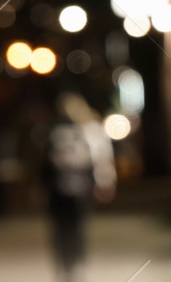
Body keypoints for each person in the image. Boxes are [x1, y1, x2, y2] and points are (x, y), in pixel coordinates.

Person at [40, 92, 117, 282]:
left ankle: (72, 264)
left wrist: (104, 180)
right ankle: (69, 264)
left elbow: (99, 157)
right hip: (68, 187)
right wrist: (105, 181)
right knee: (69, 228)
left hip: (72, 186)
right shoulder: (58, 129)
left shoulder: (86, 129)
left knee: (71, 228)